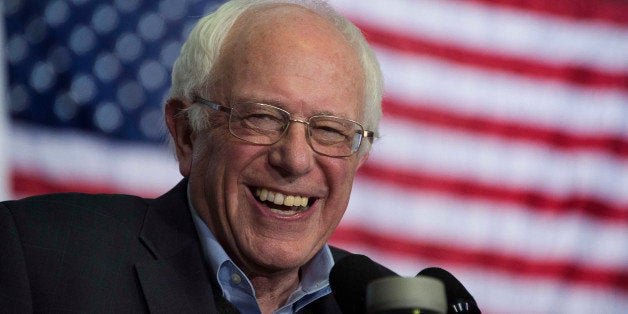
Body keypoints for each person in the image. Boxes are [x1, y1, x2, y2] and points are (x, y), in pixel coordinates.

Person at [0, 0, 383, 313]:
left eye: (330, 131)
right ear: (186, 134)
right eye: (262, 118)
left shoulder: (379, 303)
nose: (296, 159)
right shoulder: (36, 257)